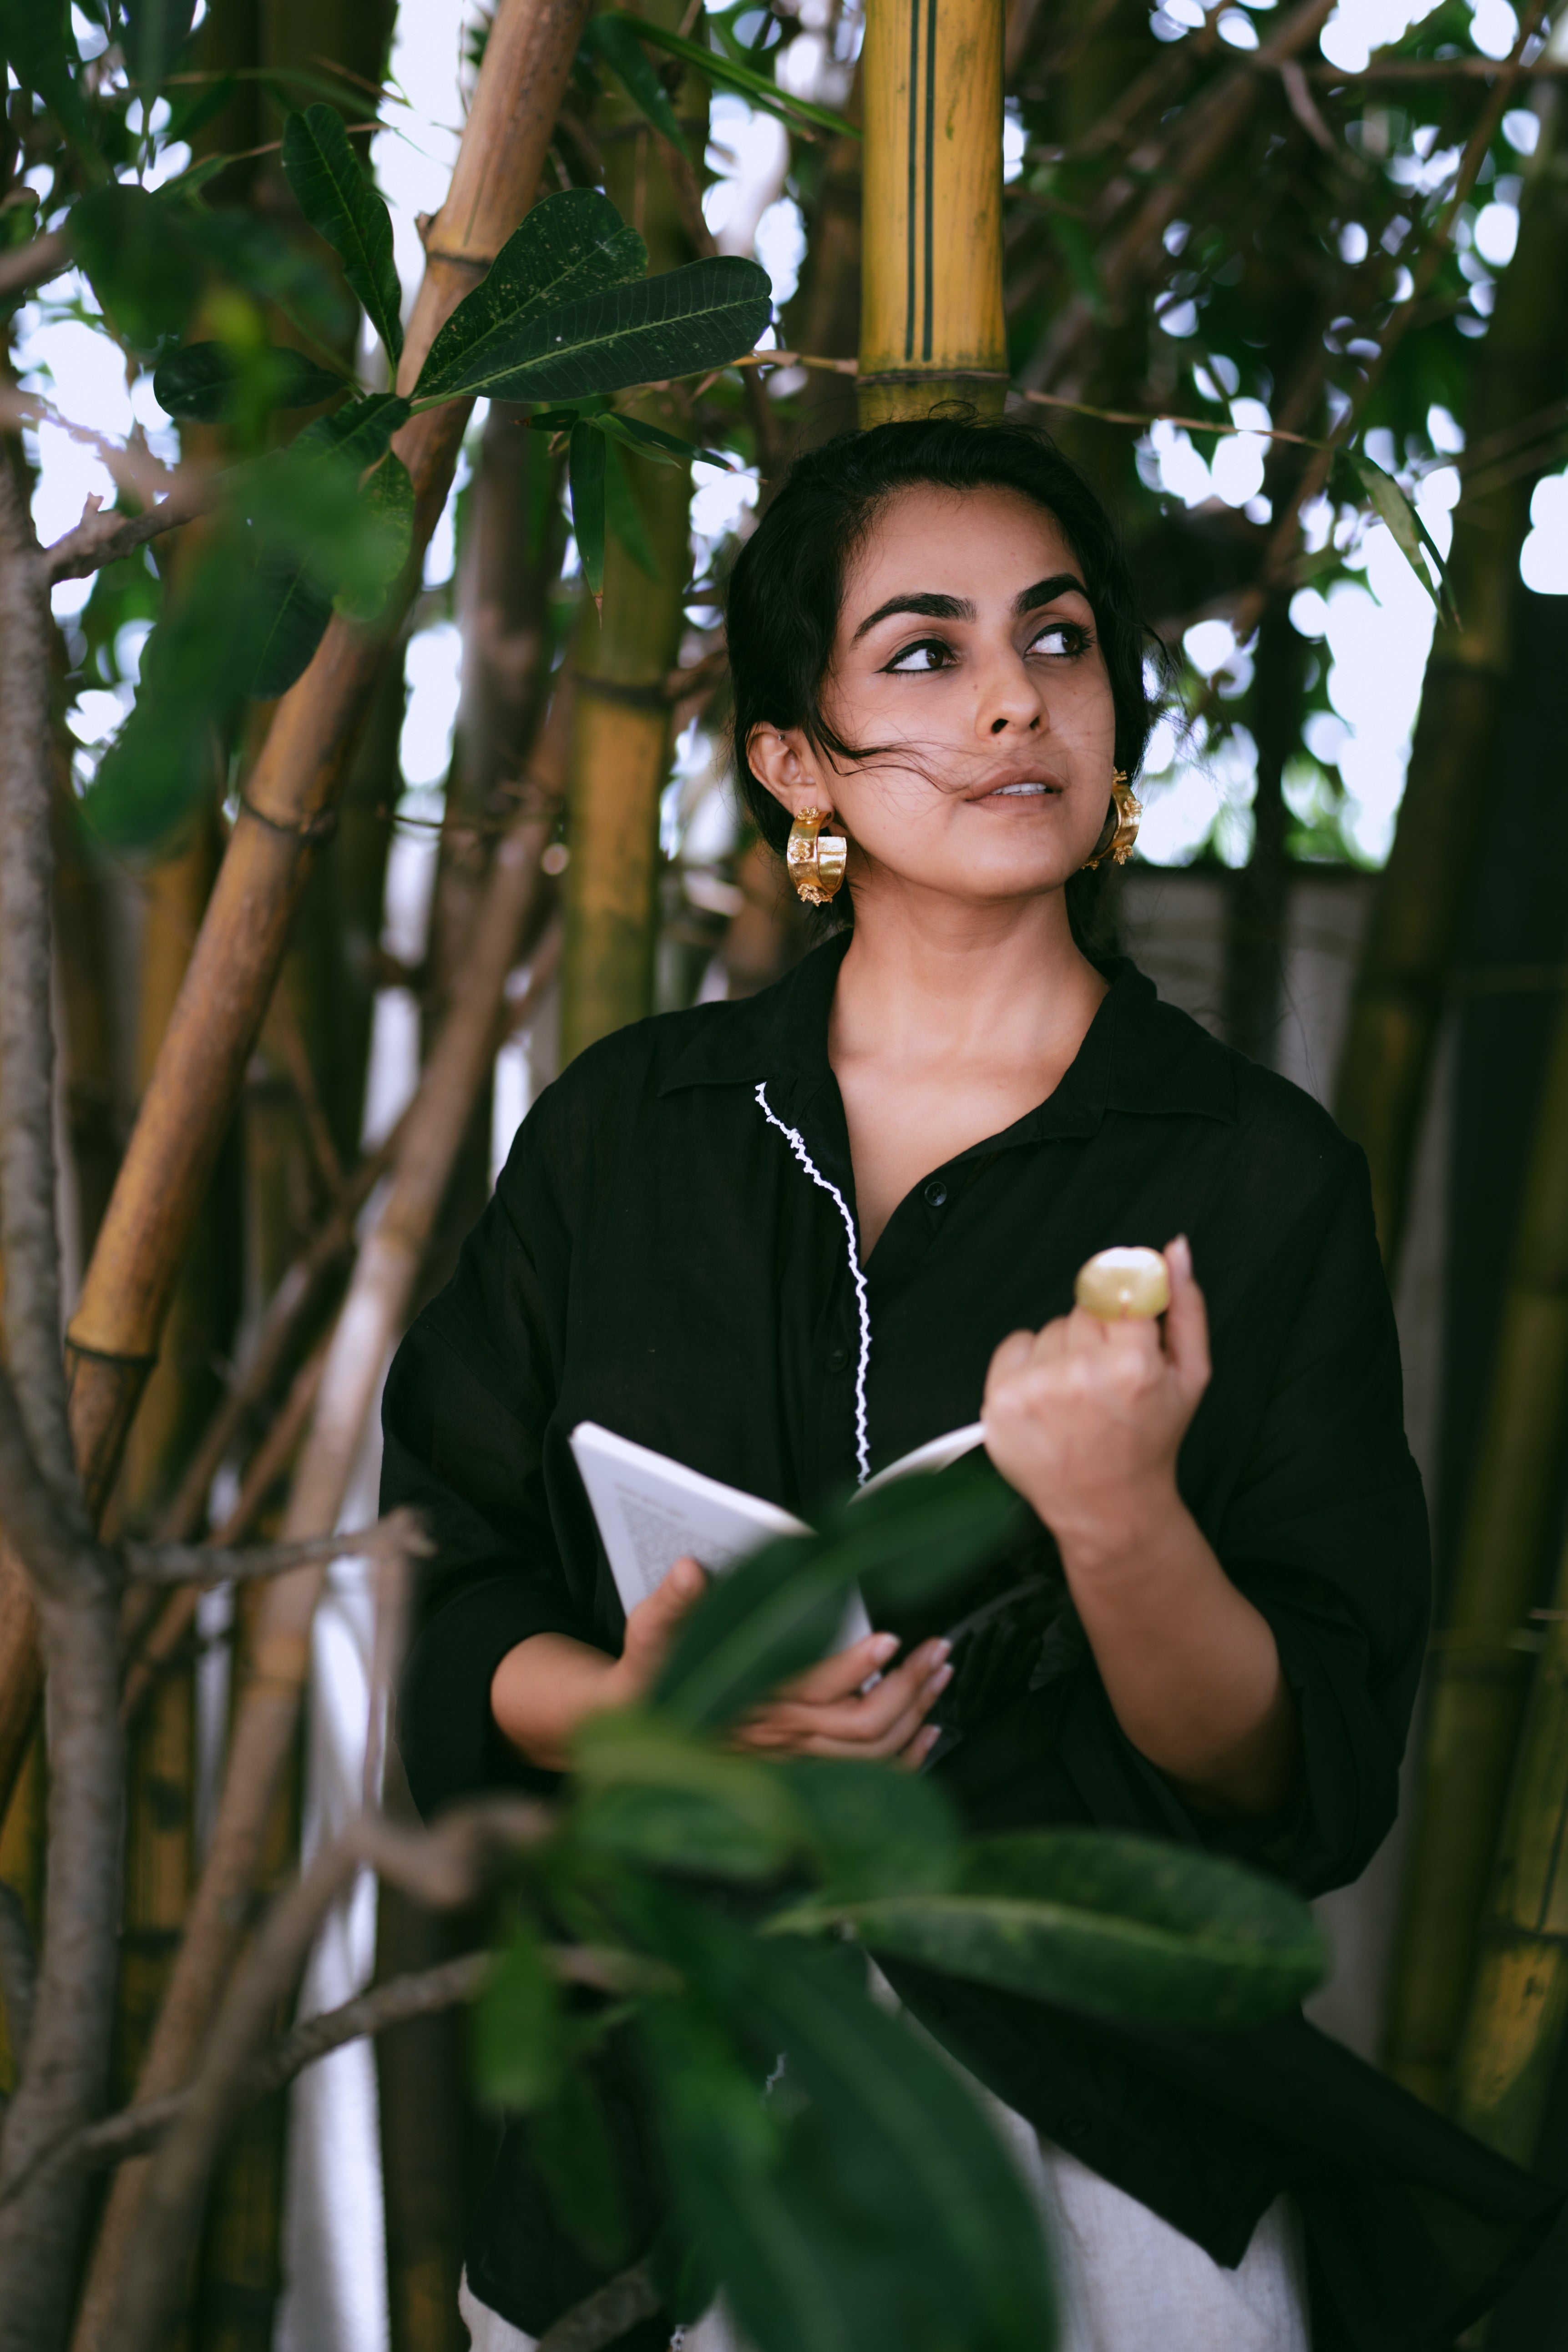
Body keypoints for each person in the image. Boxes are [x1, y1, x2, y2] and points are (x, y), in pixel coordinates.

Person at [384, 416, 1557, 2352]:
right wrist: (628, 1709)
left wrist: (1121, 1520)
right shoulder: (628, 1139)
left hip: (1104, 2146)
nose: (1015, 702)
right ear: (792, 761)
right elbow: (444, 1565)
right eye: (924, 653)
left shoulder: (1250, 1177)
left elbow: (1308, 1770)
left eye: (1061, 638)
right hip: (662, 2120)